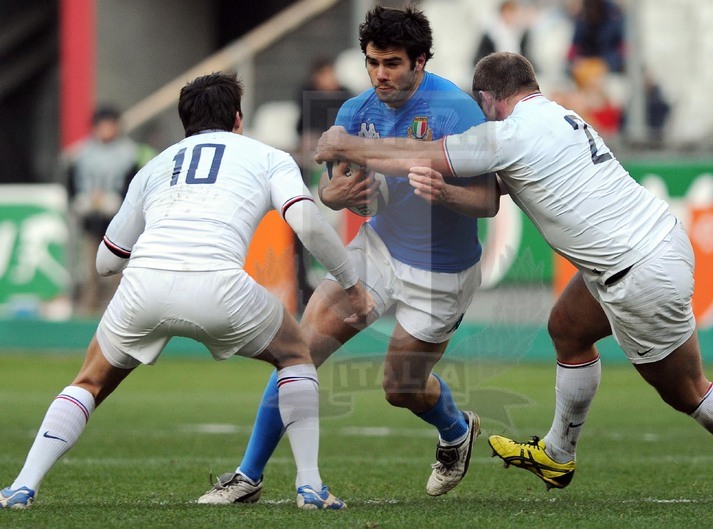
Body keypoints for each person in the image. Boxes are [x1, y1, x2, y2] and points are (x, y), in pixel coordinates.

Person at [313, 51, 713, 505]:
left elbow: (429, 154)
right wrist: (447, 191)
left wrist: (348, 144)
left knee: (687, 389)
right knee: (567, 328)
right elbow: (498, 186)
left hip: (634, 269)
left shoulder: (508, 134)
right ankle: (558, 455)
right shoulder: (559, 115)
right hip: (655, 242)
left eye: (480, 107)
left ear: (487, 100)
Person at [0, 72, 375, 510]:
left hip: (144, 285)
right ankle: (309, 486)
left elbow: (105, 262)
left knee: (90, 380)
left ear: (185, 123)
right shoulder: (268, 156)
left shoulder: (154, 166)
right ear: (238, 118)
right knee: (295, 355)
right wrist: (352, 284)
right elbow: (308, 223)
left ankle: (22, 486)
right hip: (220, 286)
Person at [197, 5, 501, 505]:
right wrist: (334, 195)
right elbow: (330, 183)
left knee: (400, 388)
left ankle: (455, 428)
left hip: (442, 272)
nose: (380, 75)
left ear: (421, 62)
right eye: (372, 62)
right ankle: (247, 476)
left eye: (393, 64)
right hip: (376, 250)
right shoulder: (355, 111)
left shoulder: (456, 111)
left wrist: (445, 193)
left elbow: (488, 201)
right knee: (297, 353)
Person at [65, 106, 152, 315]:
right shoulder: (82, 153)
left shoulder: (130, 153)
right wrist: (83, 200)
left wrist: (118, 201)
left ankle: (118, 310)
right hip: (91, 219)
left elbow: (136, 184)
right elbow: (72, 183)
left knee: (118, 268)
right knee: (89, 268)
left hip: (121, 220)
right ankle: (88, 308)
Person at [293, 57, 355, 311]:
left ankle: (343, 282)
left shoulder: (345, 98)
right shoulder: (306, 98)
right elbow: (303, 135)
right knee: (312, 227)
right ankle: (309, 283)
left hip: (338, 169)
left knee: (335, 227)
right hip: (314, 170)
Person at [473, 0, 531, 67]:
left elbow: (526, 55)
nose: (511, 16)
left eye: (513, 13)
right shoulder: (490, 34)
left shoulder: (521, 33)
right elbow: (480, 58)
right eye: (508, 13)